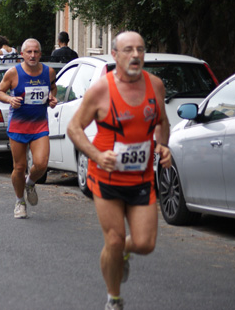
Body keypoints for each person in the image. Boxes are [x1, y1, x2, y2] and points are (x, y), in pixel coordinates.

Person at [67, 31, 171, 310]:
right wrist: (97, 156)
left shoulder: (156, 86)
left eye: (140, 49)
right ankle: (114, 298)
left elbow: (162, 121)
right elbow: (74, 128)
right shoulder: (101, 90)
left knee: (145, 243)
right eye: (128, 50)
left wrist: (162, 146)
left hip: (141, 178)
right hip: (106, 176)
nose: (135, 55)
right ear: (115, 55)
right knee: (112, 239)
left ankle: (123, 252)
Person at [0, 38, 58, 219]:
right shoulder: (13, 73)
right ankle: (19, 201)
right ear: (22, 54)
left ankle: (30, 183)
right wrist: (9, 99)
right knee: (19, 167)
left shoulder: (48, 72)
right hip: (18, 125)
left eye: (36, 52)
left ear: (40, 53)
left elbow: (53, 88)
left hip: (39, 125)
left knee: (41, 164)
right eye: (29, 52)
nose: (33, 55)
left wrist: (53, 98)